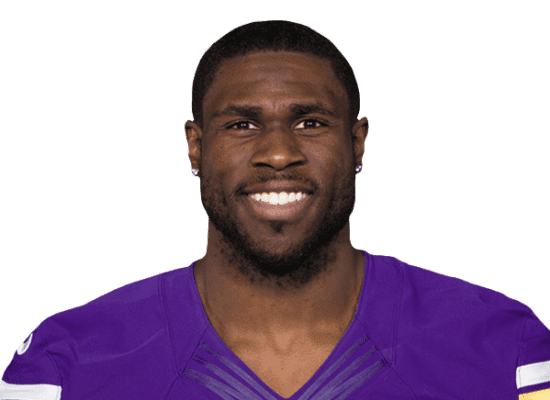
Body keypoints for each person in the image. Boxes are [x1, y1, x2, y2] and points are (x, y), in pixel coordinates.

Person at [1, 20, 549, 400]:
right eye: (242, 124)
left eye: (310, 122)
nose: (279, 153)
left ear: (358, 143)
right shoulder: (68, 365)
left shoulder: (507, 353)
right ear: (195, 147)